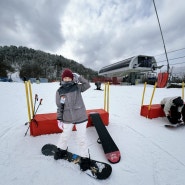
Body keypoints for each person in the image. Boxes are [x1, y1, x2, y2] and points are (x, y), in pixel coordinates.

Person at [55, 68, 92, 171]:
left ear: (72, 78)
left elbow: (87, 85)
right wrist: (59, 119)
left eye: (69, 77)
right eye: (65, 77)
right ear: (62, 78)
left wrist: (79, 76)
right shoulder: (59, 91)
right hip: (67, 118)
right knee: (64, 136)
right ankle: (61, 150)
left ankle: (85, 158)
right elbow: (59, 107)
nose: (67, 79)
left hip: (80, 116)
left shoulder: (77, 87)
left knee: (81, 139)